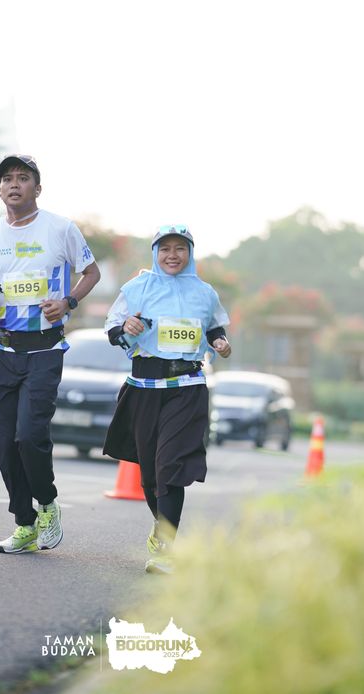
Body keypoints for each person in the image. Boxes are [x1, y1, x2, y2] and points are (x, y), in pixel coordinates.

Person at [0, 154, 100, 554]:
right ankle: (24, 524)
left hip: (44, 348)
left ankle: (47, 504)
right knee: (4, 443)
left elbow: (91, 272)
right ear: (0, 189)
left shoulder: (60, 229)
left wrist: (68, 302)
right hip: (2, 348)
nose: (14, 184)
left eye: (23, 178)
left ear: (37, 188)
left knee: (29, 436)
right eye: (7, 178)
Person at [103, 224, 231, 574]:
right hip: (144, 387)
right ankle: (163, 526)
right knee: (150, 475)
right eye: (165, 249)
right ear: (155, 253)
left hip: (187, 386)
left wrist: (219, 342)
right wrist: (125, 328)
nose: (173, 255)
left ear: (190, 253)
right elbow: (112, 328)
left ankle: (166, 548)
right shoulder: (137, 288)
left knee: (170, 466)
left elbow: (213, 327)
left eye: (180, 248)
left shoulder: (204, 292)